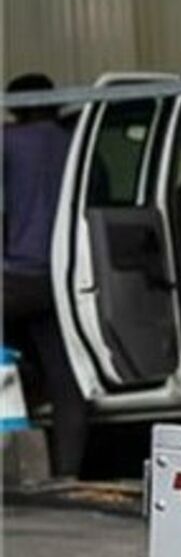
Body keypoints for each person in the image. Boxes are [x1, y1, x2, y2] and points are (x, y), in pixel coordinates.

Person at [2, 73, 88, 478]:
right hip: (62, 279)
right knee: (66, 381)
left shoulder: (8, 143)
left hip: (13, 279)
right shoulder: (76, 144)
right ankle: (66, 474)